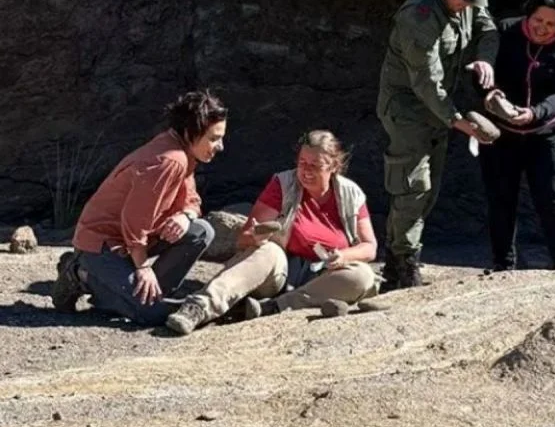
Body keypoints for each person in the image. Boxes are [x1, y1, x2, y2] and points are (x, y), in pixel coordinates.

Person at [165, 129, 378, 335]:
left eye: (315, 165)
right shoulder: (283, 184)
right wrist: (255, 237)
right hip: (281, 272)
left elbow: (369, 247)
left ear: (333, 166)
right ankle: (200, 307)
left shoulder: (351, 193)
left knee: (363, 275)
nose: (306, 171)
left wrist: (344, 256)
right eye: (302, 162)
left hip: (325, 276)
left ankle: (273, 308)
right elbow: (244, 238)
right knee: (269, 251)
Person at [377, 0, 501, 290]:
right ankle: (402, 266)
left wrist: (486, 59)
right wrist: (459, 121)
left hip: (437, 111)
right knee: (414, 187)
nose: (468, 5)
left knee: (428, 191)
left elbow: (487, 27)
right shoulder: (418, 16)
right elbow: (426, 81)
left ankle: (400, 258)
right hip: (408, 110)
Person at [50, 90, 227, 325]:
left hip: (132, 239)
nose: (221, 146)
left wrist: (185, 215)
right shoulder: (170, 159)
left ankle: (145, 295)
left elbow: (192, 199)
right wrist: (143, 267)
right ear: (190, 131)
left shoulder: (183, 150)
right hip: (102, 244)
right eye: (214, 138)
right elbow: (134, 220)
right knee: (152, 315)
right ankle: (78, 274)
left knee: (200, 231)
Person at [479, 0, 555, 273]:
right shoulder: (506, 31)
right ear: (529, 13)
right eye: (538, 20)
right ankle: (503, 265)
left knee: (553, 201)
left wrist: (533, 114)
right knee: (501, 199)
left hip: (545, 133)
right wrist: (491, 95)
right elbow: (482, 71)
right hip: (501, 133)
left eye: (551, 24)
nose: (542, 28)